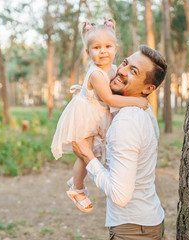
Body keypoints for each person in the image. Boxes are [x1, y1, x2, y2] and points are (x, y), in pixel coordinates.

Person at [50, 19, 148, 213]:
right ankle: (77, 189)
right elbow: (110, 99)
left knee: (96, 153)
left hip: (99, 115)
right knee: (84, 154)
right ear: (88, 53)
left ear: (116, 49)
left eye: (107, 46)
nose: (103, 51)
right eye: (96, 47)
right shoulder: (96, 74)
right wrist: (136, 101)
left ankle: (90, 179)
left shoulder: (112, 70)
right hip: (86, 115)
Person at [72, 45, 167, 239]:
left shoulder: (127, 120)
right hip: (143, 222)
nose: (122, 71)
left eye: (133, 71)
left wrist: (87, 156)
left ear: (148, 88)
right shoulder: (141, 109)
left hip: (132, 229)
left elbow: (120, 195)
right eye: (125, 63)